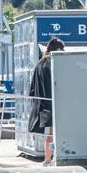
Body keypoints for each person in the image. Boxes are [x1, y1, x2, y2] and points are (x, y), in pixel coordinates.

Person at [28, 37, 64, 165]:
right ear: (58, 49)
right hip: (55, 103)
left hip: (43, 105)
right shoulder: (54, 63)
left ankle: (47, 159)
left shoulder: (40, 64)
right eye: (62, 50)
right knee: (56, 133)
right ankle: (55, 158)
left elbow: (32, 89)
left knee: (49, 133)